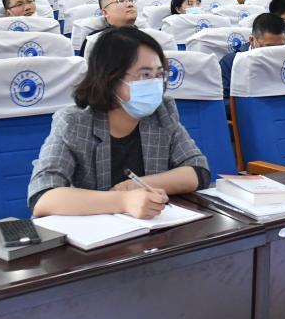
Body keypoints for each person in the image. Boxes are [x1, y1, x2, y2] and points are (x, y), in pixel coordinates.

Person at [29, 26, 209, 218]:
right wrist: (123, 201)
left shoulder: (162, 113)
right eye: (145, 75)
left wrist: (137, 185)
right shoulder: (75, 123)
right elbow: (42, 197)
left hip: (150, 229)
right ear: (110, 78)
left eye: (159, 74)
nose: (155, 84)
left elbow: (198, 171)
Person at [219, 13, 285, 100]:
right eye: (269, 47)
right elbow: (223, 101)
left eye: (280, 47)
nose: (274, 53)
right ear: (252, 40)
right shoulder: (231, 63)